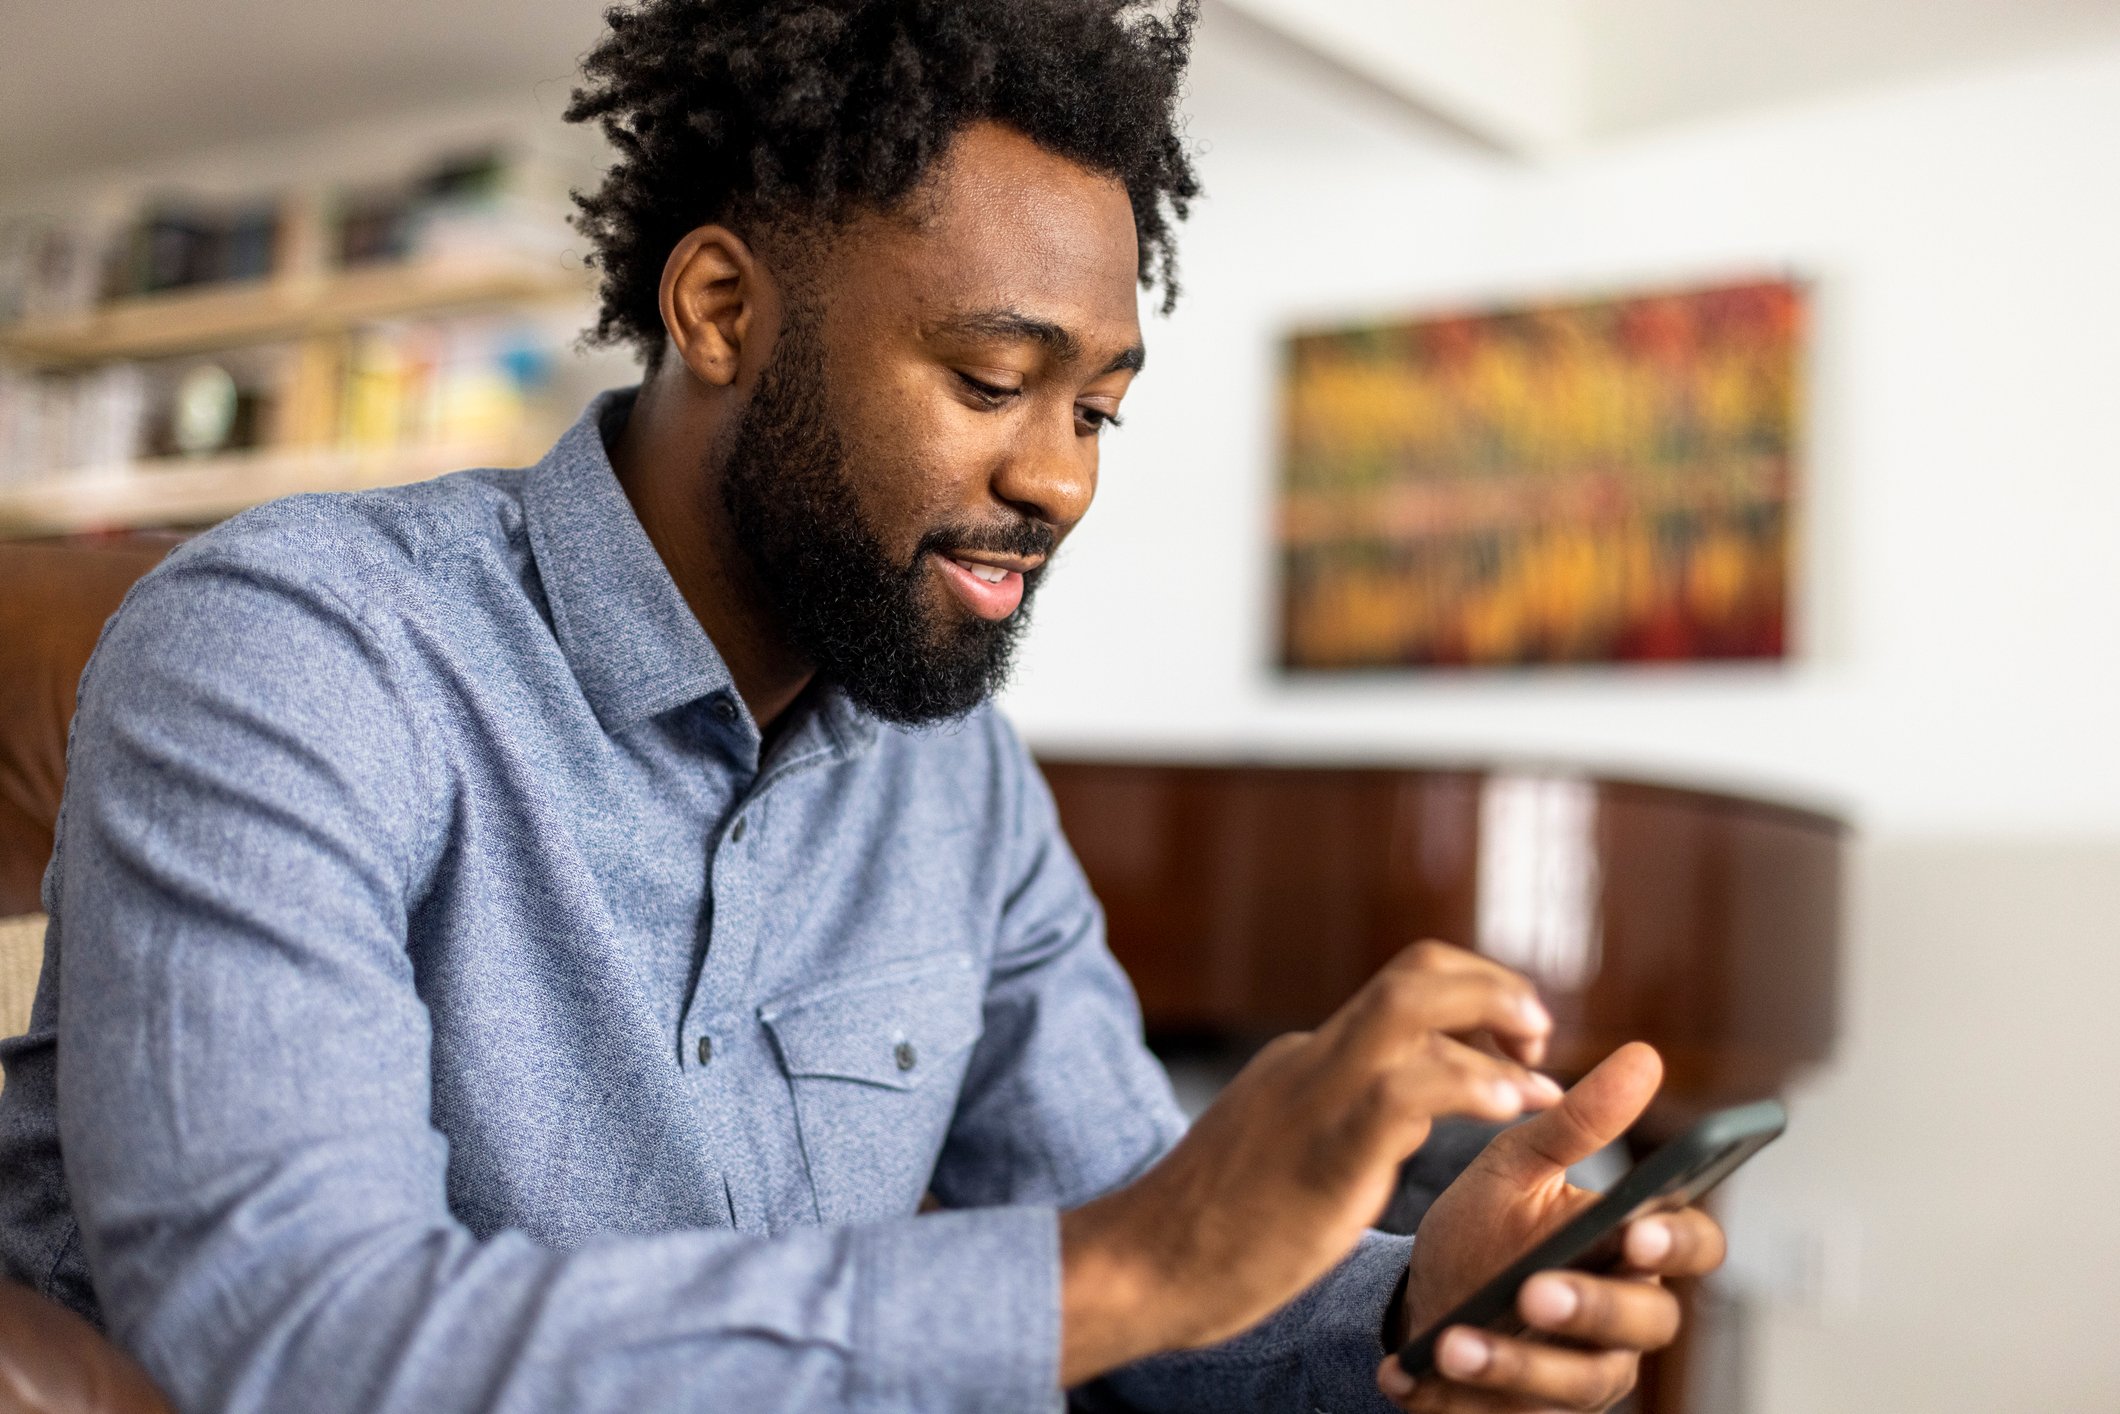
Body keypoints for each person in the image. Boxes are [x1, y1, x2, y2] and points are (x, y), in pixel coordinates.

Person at [0, 2, 1725, 1410]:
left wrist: (1420, 1291)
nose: (1060, 481)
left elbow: (1142, 1232)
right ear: (721, 310)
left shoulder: (953, 779)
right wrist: (1125, 1265)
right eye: (993, 380)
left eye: (1098, 411)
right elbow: (293, 1332)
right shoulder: (293, 653)